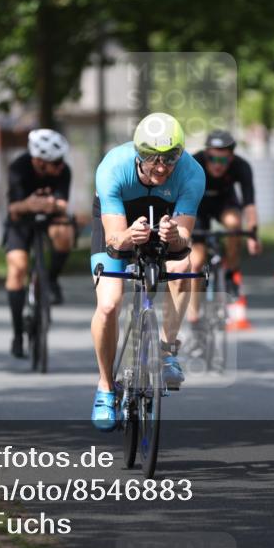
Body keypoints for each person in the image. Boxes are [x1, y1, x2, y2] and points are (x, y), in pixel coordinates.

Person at [89, 112, 205, 431]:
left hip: (165, 219)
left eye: (170, 159)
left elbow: (183, 242)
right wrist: (128, 237)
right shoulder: (113, 167)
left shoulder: (192, 173)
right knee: (109, 304)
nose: (163, 167)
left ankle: (167, 349)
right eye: (154, 160)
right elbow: (114, 241)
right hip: (120, 221)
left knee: (184, 263)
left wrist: (173, 236)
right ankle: (105, 387)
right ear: (138, 155)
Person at [4, 129, 74, 359]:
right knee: (18, 269)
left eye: (61, 160)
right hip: (21, 221)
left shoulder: (64, 172)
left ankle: (51, 280)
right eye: (55, 162)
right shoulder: (18, 168)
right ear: (38, 161)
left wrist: (50, 205)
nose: (60, 166)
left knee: (65, 235)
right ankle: (17, 334)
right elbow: (13, 209)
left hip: (49, 218)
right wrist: (29, 205)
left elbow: (63, 205)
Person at [186, 130, 260, 327]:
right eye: (213, 158)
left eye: (224, 160)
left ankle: (231, 273)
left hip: (224, 203)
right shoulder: (194, 164)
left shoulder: (241, 167)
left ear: (232, 157)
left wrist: (253, 234)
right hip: (197, 207)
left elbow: (249, 204)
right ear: (205, 153)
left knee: (234, 224)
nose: (217, 165)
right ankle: (194, 311)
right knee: (196, 260)